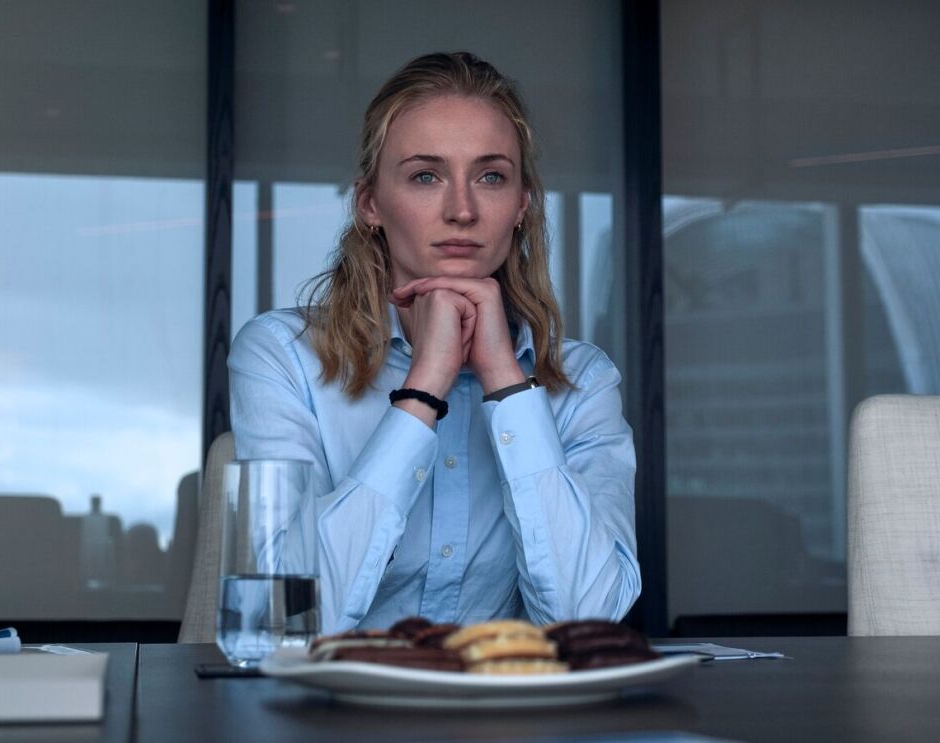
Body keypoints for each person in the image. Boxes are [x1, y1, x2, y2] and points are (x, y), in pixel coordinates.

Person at [229, 51, 640, 632]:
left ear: (522, 205)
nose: (462, 210)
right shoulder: (283, 354)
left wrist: (504, 378)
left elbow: (588, 619)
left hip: (508, 717)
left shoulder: (583, 381)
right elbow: (284, 619)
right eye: (426, 175)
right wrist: (425, 386)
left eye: (491, 176)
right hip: (328, 717)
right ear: (370, 203)